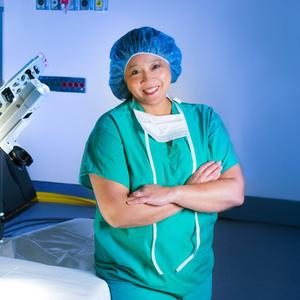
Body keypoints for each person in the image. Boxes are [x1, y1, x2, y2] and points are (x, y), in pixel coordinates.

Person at [79, 26, 244, 300]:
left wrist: (173, 192)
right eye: (135, 71)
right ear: (123, 78)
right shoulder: (111, 128)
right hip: (131, 277)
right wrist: (196, 193)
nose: (148, 78)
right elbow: (117, 214)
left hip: (195, 274)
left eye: (156, 65)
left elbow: (234, 192)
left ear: (170, 66)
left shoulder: (205, 120)